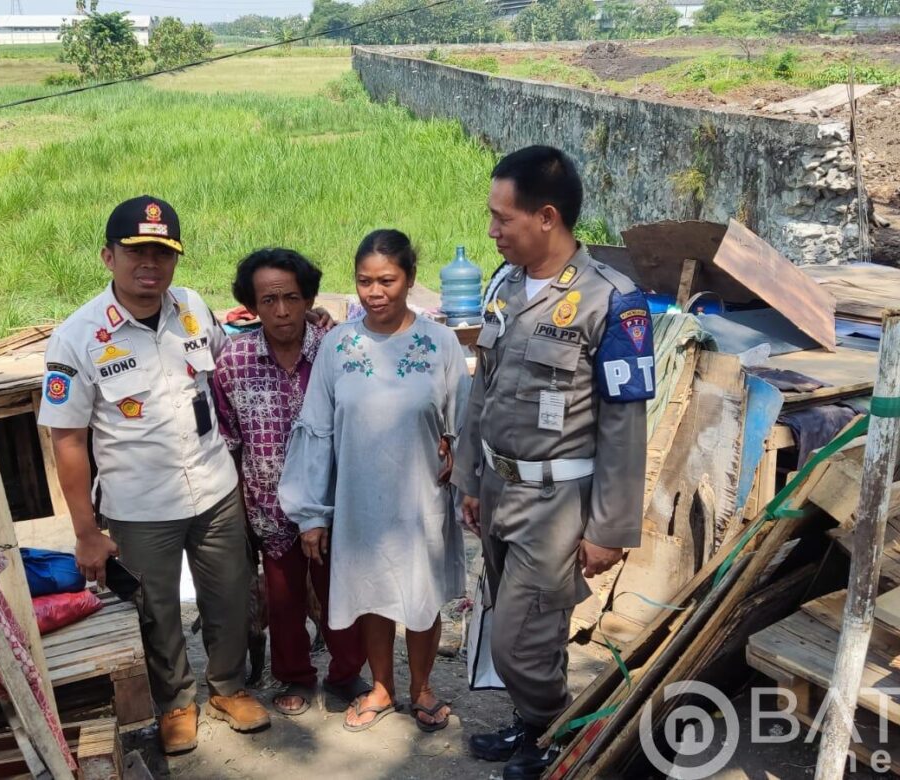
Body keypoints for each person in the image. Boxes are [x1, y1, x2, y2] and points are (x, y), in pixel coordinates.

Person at [37, 195, 269, 757]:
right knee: (155, 610)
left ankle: (228, 687)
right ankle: (175, 704)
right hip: (138, 505)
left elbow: (227, 368)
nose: (150, 264)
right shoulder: (77, 337)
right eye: (136, 251)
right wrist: (86, 533)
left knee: (229, 595)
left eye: (162, 253)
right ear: (108, 256)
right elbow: (67, 440)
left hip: (214, 488)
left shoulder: (192, 308)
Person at [451, 147, 655, 779]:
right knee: (533, 632)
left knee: (516, 640)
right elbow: (482, 389)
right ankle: (533, 726)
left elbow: (625, 425)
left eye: (502, 217)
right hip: (498, 487)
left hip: (556, 505)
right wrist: (470, 479)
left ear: (546, 216)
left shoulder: (611, 301)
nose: (492, 230)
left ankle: (557, 735)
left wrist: (609, 527)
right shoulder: (506, 285)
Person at [279, 229, 469, 733]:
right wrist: (311, 513)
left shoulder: (440, 344)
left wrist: (459, 457)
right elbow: (317, 430)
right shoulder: (338, 345)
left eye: (387, 280)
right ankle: (382, 687)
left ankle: (421, 687)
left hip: (421, 498)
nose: (375, 292)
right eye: (365, 281)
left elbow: (465, 419)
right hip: (359, 500)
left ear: (410, 279)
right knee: (371, 595)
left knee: (421, 598)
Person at [212, 248, 370, 717]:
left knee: (340, 593)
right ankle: (295, 675)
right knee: (282, 601)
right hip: (269, 506)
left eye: (292, 298)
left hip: (332, 503)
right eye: (269, 300)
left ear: (309, 299)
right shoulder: (234, 360)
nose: (282, 311)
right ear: (251, 306)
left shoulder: (336, 351)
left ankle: (346, 672)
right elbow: (228, 439)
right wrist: (238, 512)